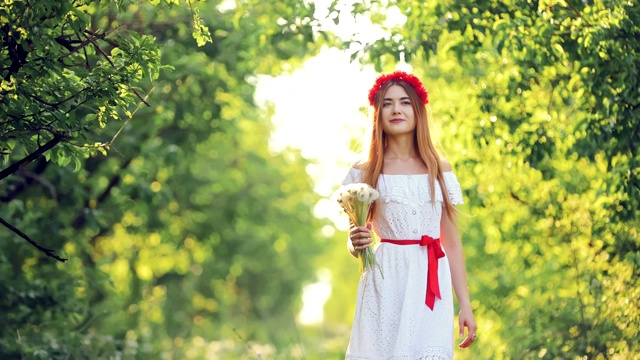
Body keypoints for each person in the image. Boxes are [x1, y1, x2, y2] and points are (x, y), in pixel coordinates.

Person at [341, 71, 477, 359]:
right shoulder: (365, 170)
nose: (396, 109)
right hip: (385, 277)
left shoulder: (439, 169)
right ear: (378, 114)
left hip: (431, 278)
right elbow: (354, 241)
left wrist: (465, 305)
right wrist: (356, 242)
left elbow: (451, 243)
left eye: (404, 102)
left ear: (417, 111)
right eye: (387, 103)